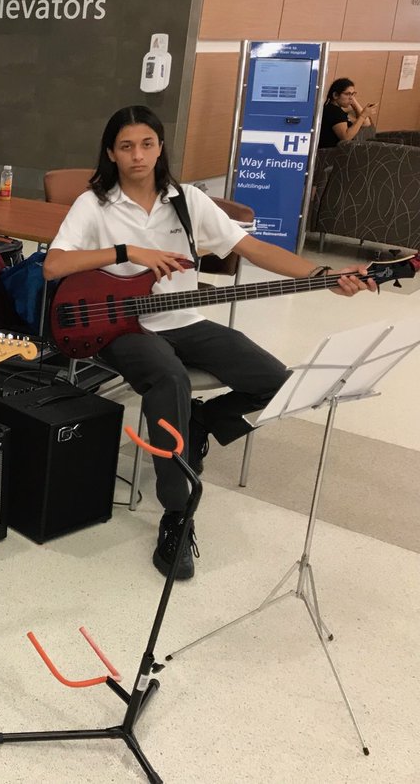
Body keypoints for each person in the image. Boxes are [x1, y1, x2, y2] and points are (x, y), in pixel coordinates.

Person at [44, 105, 376, 580]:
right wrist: (127, 252)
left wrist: (323, 274)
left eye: (147, 144)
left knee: (278, 383)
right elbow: (54, 267)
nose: (137, 155)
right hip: (123, 325)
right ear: (111, 153)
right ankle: (177, 514)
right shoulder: (95, 203)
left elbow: (253, 248)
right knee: (169, 378)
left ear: (160, 148)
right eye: (126, 146)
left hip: (183, 319)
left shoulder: (188, 201)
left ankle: (199, 424)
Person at [318, 78, 376, 149]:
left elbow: (366, 123)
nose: (351, 98)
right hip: (330, 155)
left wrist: (353, 102)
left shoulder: (337, 110)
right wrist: (363, 115)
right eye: (348, 94)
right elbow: (346, 137)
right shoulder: (333, 111)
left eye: (353, 94)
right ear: (335, 95)